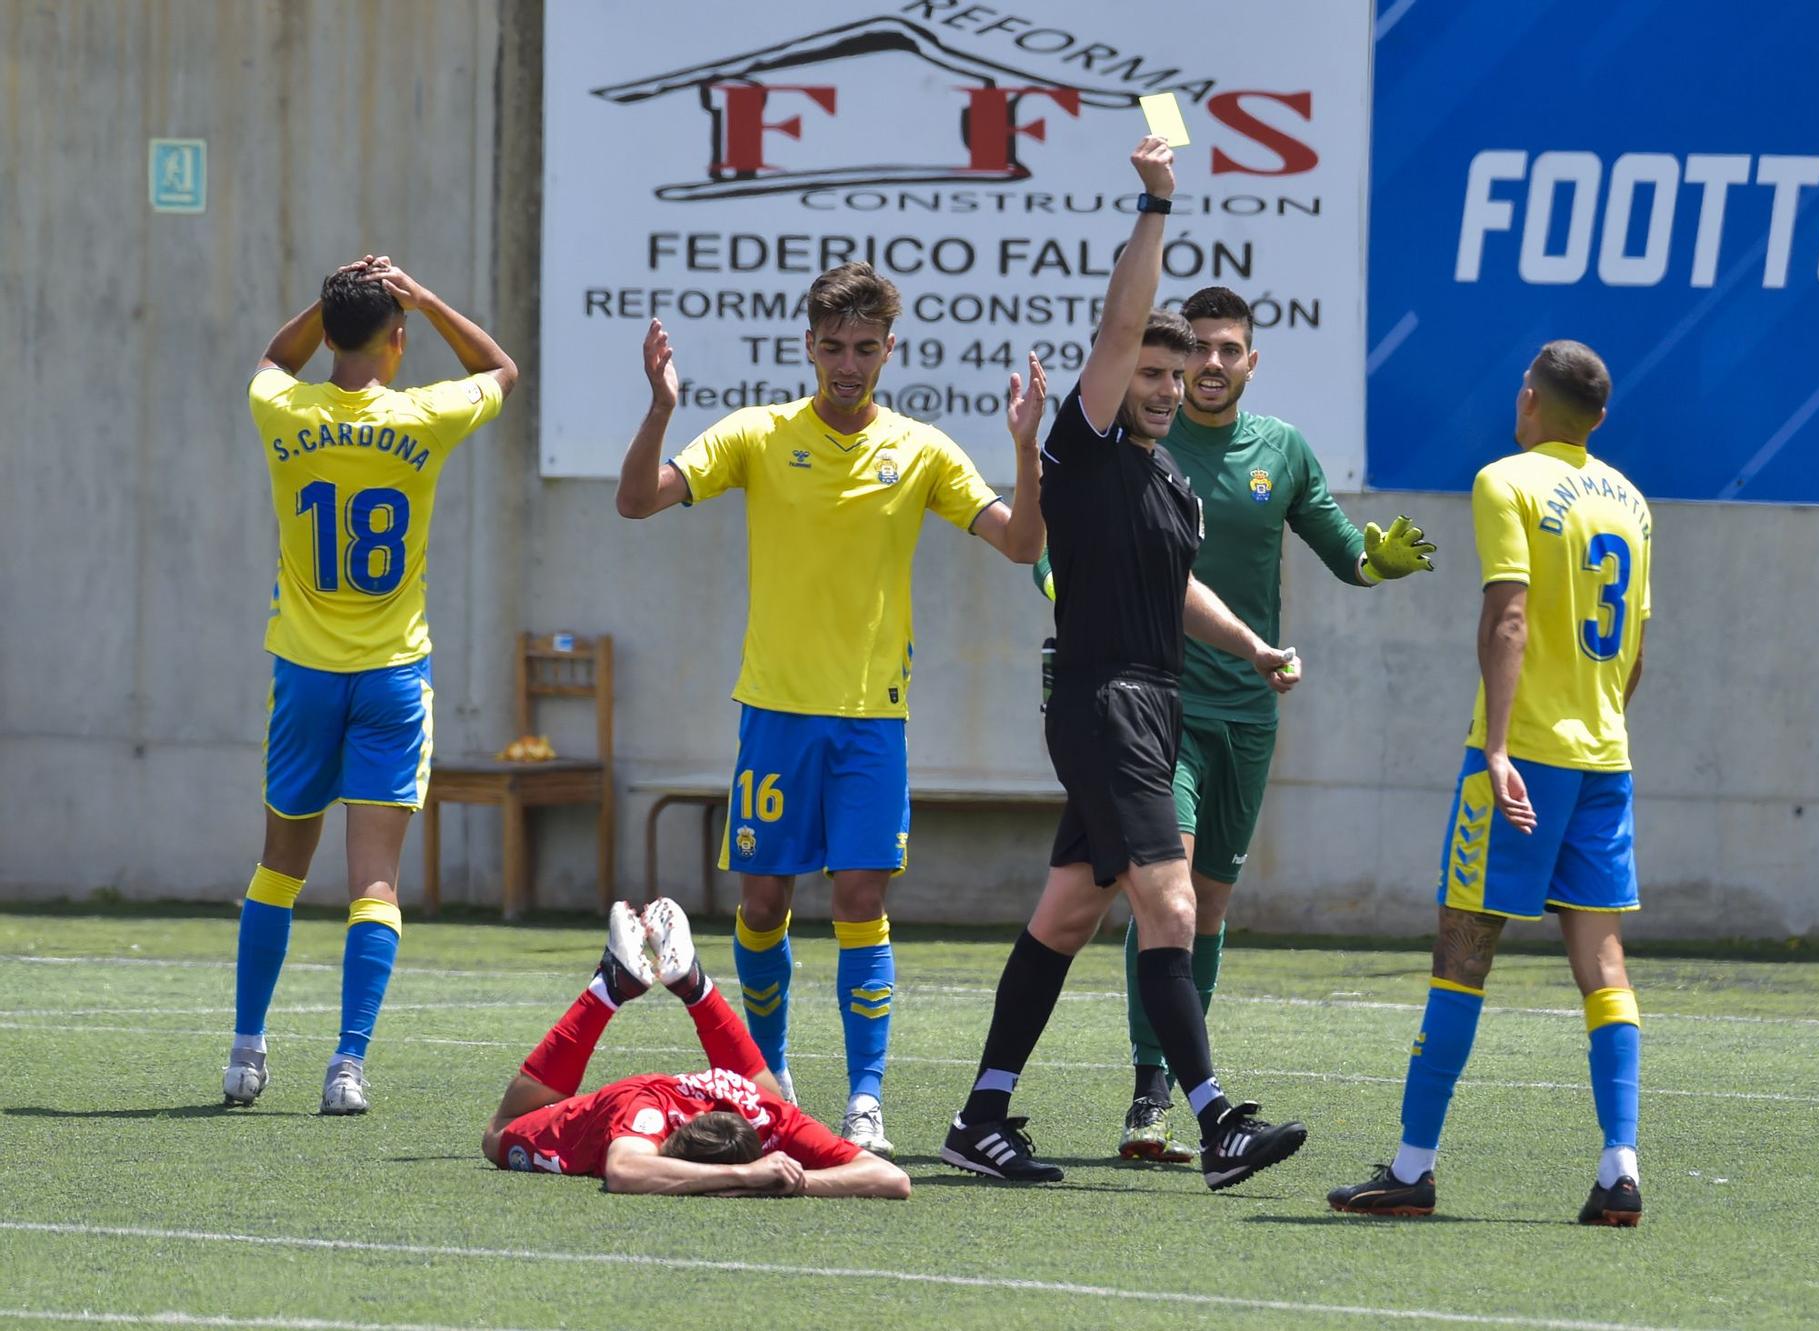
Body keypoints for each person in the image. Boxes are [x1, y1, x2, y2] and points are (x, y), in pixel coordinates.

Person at [940, 137, 1308, 1191]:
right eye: (1150, 368)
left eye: (1177, 369)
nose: (1167, 382)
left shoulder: (1169, 486)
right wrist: (1154, 204)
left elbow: (1177, 589)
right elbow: (1117, 321)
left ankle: (981, 1116)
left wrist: (1249, 643)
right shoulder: (1090, 445)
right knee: (1172, 900)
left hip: (1151, 702)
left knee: (1066, 909)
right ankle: (1213, 1117)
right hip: (1103, 703)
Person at [613, 262, 1047, 1157]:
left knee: (859, 894)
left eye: (864, 348)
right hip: (773, 712)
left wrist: (1026, 448)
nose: (847, 364)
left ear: (891, 350)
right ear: (807, 346)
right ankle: (767, 1084)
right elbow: (636, 500)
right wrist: (660, 407)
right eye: (832, 347)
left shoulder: (920, 448)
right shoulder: (759, 435)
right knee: (764, 901)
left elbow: (1019, 545)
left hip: (870, 719)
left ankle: (865, 1100)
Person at [1034, 285, 1439, 1161]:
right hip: (1150, 709)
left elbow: (1344, 550)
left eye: (1226, 352)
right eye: (1195, 353)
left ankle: (1127, 1095)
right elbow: (1057, 550)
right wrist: (1064, 585)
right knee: (1163, 888)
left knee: (1205, 904)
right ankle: (1159, 1093)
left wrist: (1380, 564)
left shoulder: (1281, 452)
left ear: (1250, 362)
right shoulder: (1133, 439)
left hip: (1247, 712)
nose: (1207, 368)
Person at [1326, 340, 1651, 1225]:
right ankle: (1620, 1167)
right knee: (1604, 962)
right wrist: (1601, 723)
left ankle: (1411, 1167)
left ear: (1530, 401)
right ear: (1598, 420)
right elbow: (1636, 647)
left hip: (1524, 755)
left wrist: (1501, 748)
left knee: (1463, 956)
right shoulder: (1631, 502)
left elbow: (1507, 614)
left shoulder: (1505, 480)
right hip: (1604, 756)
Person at [225, 256, 518, 1115]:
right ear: (397, 339)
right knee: (375, 884)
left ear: (328, 331)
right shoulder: (424, 415)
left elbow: (272, 361)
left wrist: (326, 305)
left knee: (278, 869)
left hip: (306, 675)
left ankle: (246, 1052)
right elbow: (498, 369)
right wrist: (425, 299)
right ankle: (346, 1065)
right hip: (392, 675)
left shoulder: (283, 407)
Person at [484, 898, 910, 1199]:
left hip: (732, 1095)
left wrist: (786, 1180)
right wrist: (746, 1175)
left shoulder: (767, 1119)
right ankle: (644, 988)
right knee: (499, 1133)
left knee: (774, 1098)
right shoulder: (647, 1118)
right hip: (641, 1100)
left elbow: (893, 1180)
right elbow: (625, 1171)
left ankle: (659, 987)